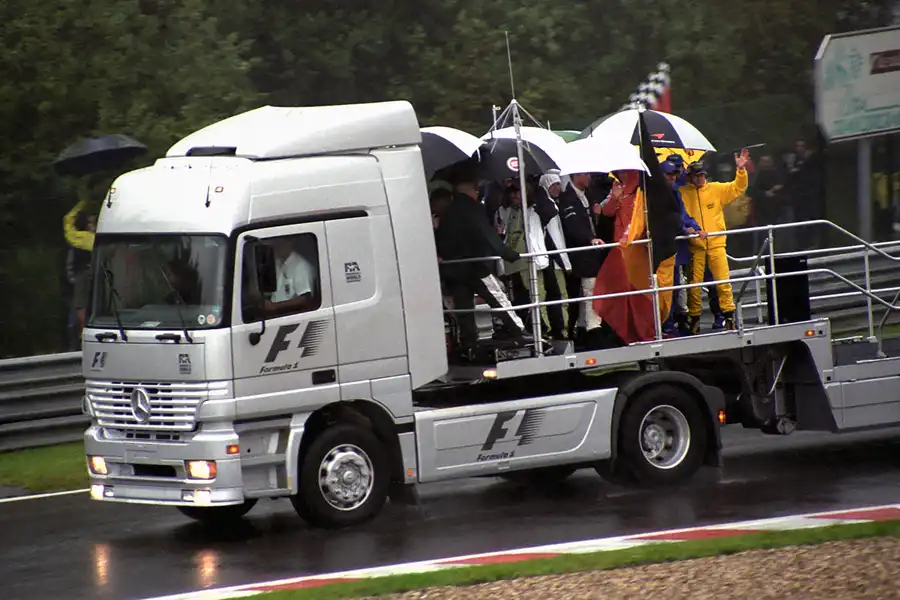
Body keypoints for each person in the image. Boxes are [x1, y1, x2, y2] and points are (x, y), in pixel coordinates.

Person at [436, 166, 527, 359]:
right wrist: (509, 254)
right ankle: (520, 331)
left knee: (464, 309)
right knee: (496, 297)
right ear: (472, 189)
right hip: (474, 265)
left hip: (454, 268)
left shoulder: (448, 211)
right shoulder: (472, 208)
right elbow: (487, 236)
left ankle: (469, 344)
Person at [680, 150, 751, 333]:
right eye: (696, 176)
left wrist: (741, 170)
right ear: (690, 177)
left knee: (723, 282)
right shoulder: (682, 193)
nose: (700, 179)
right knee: (694, 286)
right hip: (695, 246)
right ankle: (694, 318)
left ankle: (729, 316)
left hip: (717, 243)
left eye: (702, 175)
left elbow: (737, 187)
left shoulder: (716, 189)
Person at [558, 171, 606, 348]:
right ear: (576, 176)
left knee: (587, 289)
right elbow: (572, 226)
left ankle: (584, 326)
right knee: (589, 288)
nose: (590, 178)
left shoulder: (587, 195)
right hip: (581, 253)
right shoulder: (568, 199)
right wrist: (589, 239)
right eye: (586, 174)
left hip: (591, 252)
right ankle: (592, 328)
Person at [660, 158, 705, 335]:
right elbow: (667, 217)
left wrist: (696, 227)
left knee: (676, 285)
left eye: (675, 174)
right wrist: (684, 228)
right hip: (664, 247)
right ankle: (666, 322)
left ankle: (674, 320)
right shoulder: (657, 193)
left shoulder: (674, 190)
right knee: (666, 287)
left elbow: (682, 213)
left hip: (676, 248)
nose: (672, 177)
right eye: (669, 174)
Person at [534, 172, 571, 340]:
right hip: (551, 259)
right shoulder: (546, 207)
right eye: (552, 185)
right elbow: (554, 238)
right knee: (558, 296)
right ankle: (558, 331)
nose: (557, 188)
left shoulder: (553, 204)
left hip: (552, 259)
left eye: (558, 184)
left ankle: (558, 329)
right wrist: (565, 262)